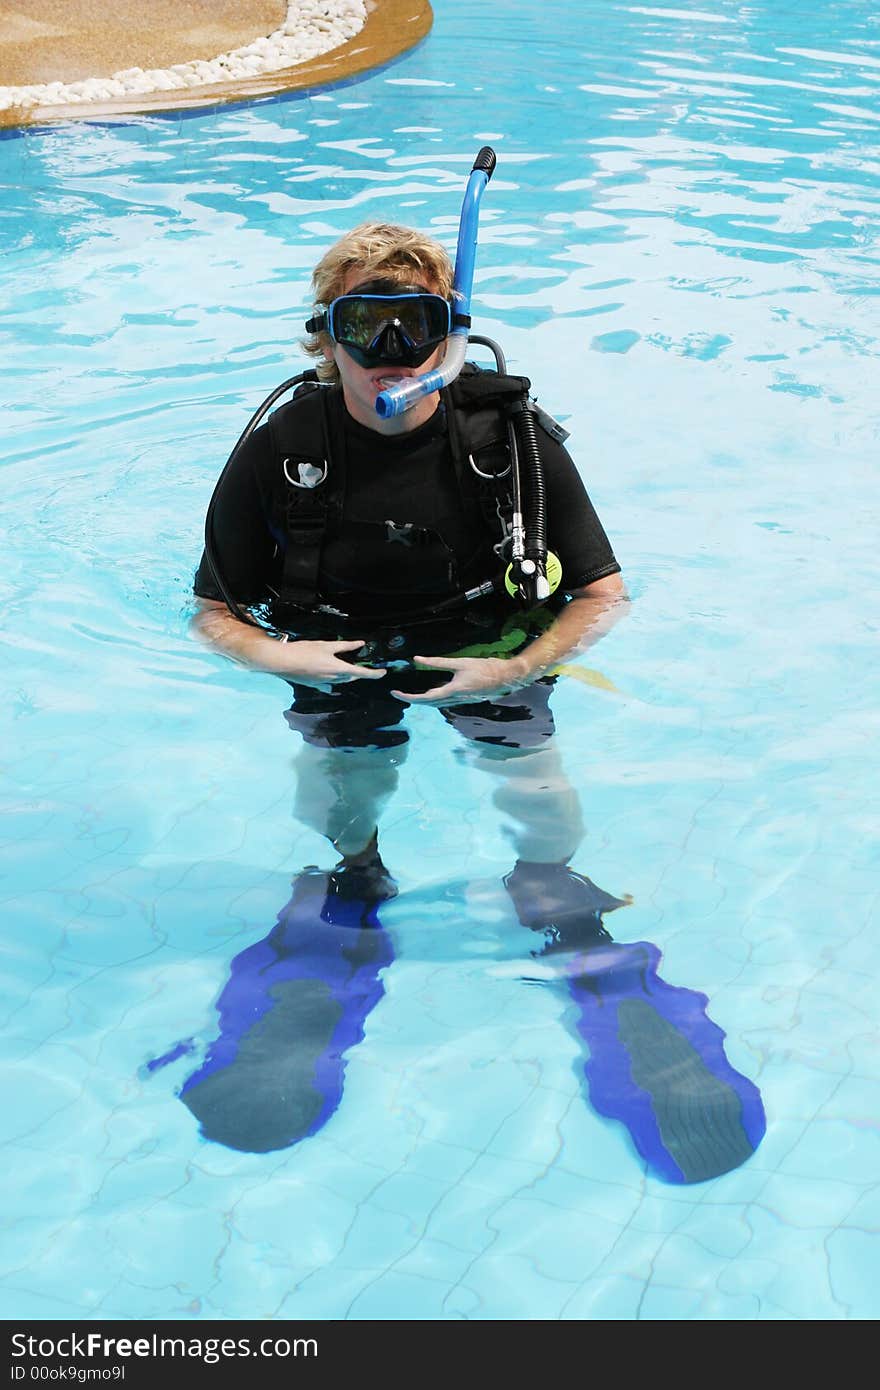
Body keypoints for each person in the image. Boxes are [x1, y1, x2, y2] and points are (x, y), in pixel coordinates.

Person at [180, 220, 765, 1180]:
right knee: (337, 794)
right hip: (338, 649)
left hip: (489, 647)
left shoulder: (514, 441)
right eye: (362, 328)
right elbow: (212, 611)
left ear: (451, 334)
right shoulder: (282, 446)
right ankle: (356, 882)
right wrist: (288, 659)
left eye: (413, 327)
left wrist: (514, 668)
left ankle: (560, 904)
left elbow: (602, 594)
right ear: (323, 341)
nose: (387, 357)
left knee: (541, 800)